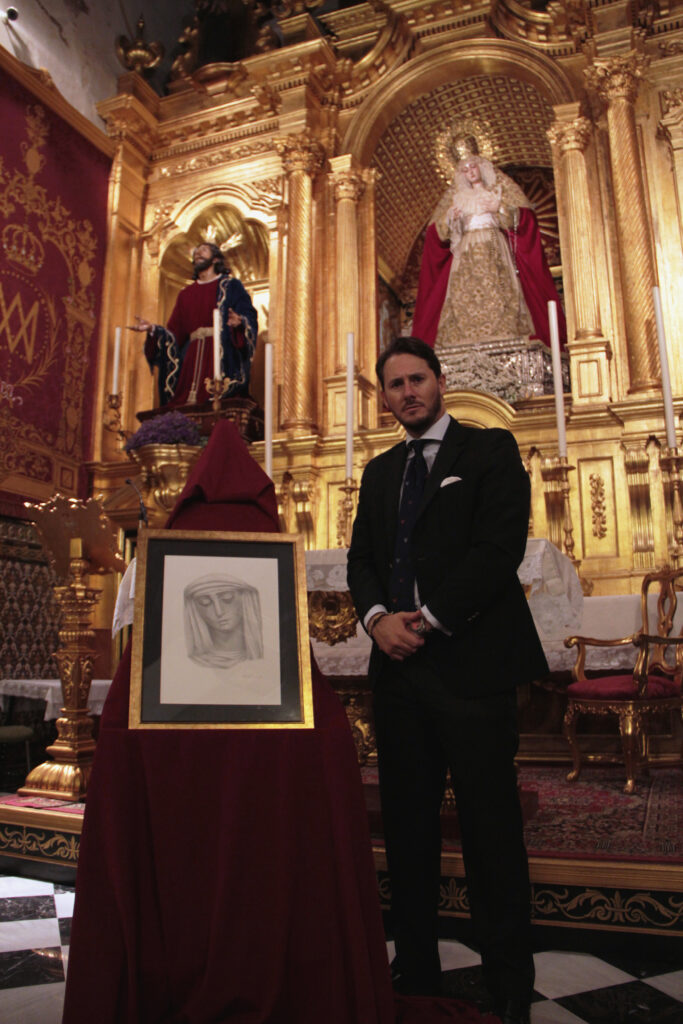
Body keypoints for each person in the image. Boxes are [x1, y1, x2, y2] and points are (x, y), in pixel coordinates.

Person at [347, 336, 548, 1024]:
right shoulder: (379, 472)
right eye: (394, 384)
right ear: (383, 397)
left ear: (438, 381)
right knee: (406, 828)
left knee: (490, 827)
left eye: (416, 379)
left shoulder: (488, 450)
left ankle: (508, 978)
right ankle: (416, 965)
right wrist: (378, 620)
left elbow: (498, 549)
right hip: (398, 674)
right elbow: (361, 561)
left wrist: (427, 620)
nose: (407, 392)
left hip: (472, 667)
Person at [412, 137, 566, 351]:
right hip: (466, 251)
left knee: (499, 287)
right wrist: (450, 220)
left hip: (493, 244)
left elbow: (522, 220)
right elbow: (439, 233)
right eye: (465, 169)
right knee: (463, 295)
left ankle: (505, 333)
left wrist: (499, 208)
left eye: (473, 166)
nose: (470, 172)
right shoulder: (456, 198)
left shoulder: (498, 189)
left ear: (481, 166)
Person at [129, 241, 258, 407]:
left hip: (220, 354)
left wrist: (240, 322)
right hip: (191, 359)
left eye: (204, 250)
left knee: (221, 401)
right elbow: (174, 334)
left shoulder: (231, 286)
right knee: (182, 404)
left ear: (216, 259)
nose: (198, 253)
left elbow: (248, 315)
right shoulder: (186, 294)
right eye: (196, 251)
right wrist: (153, 330)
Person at [184, 572, 263, 668]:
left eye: (227, 599)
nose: (219, 611)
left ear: (245, 599)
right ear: (194, 609)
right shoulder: (187, 663)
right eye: (205, 602)